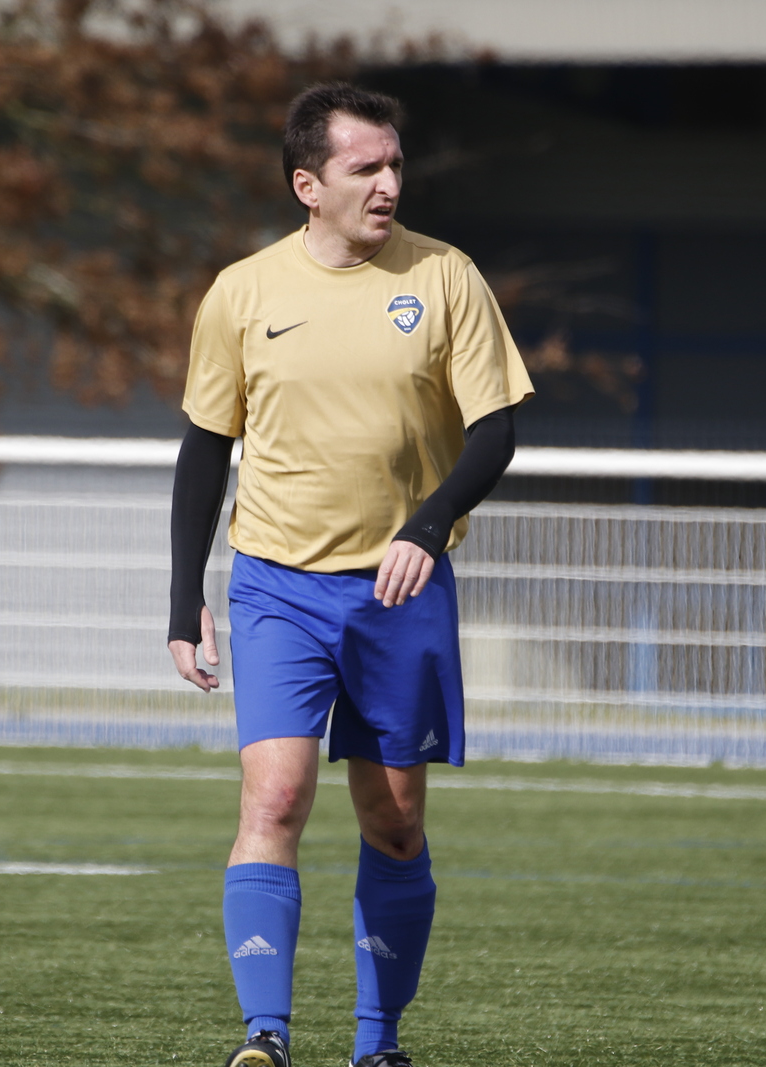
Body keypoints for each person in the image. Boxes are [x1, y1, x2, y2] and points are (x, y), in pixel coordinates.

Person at [167, 82, 533, 1067]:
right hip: (275, 584)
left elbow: (495, 431)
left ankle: (378, 1043)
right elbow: (205, 448)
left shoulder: (446, 276)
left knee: (394, 819)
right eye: (364, 167)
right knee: (274, 798)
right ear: (308, 185)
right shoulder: (243, 292)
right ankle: (265, 1035)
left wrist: (429, 523)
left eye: (394, 164)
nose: (387, 184)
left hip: (399, 592)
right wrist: (182, 597)